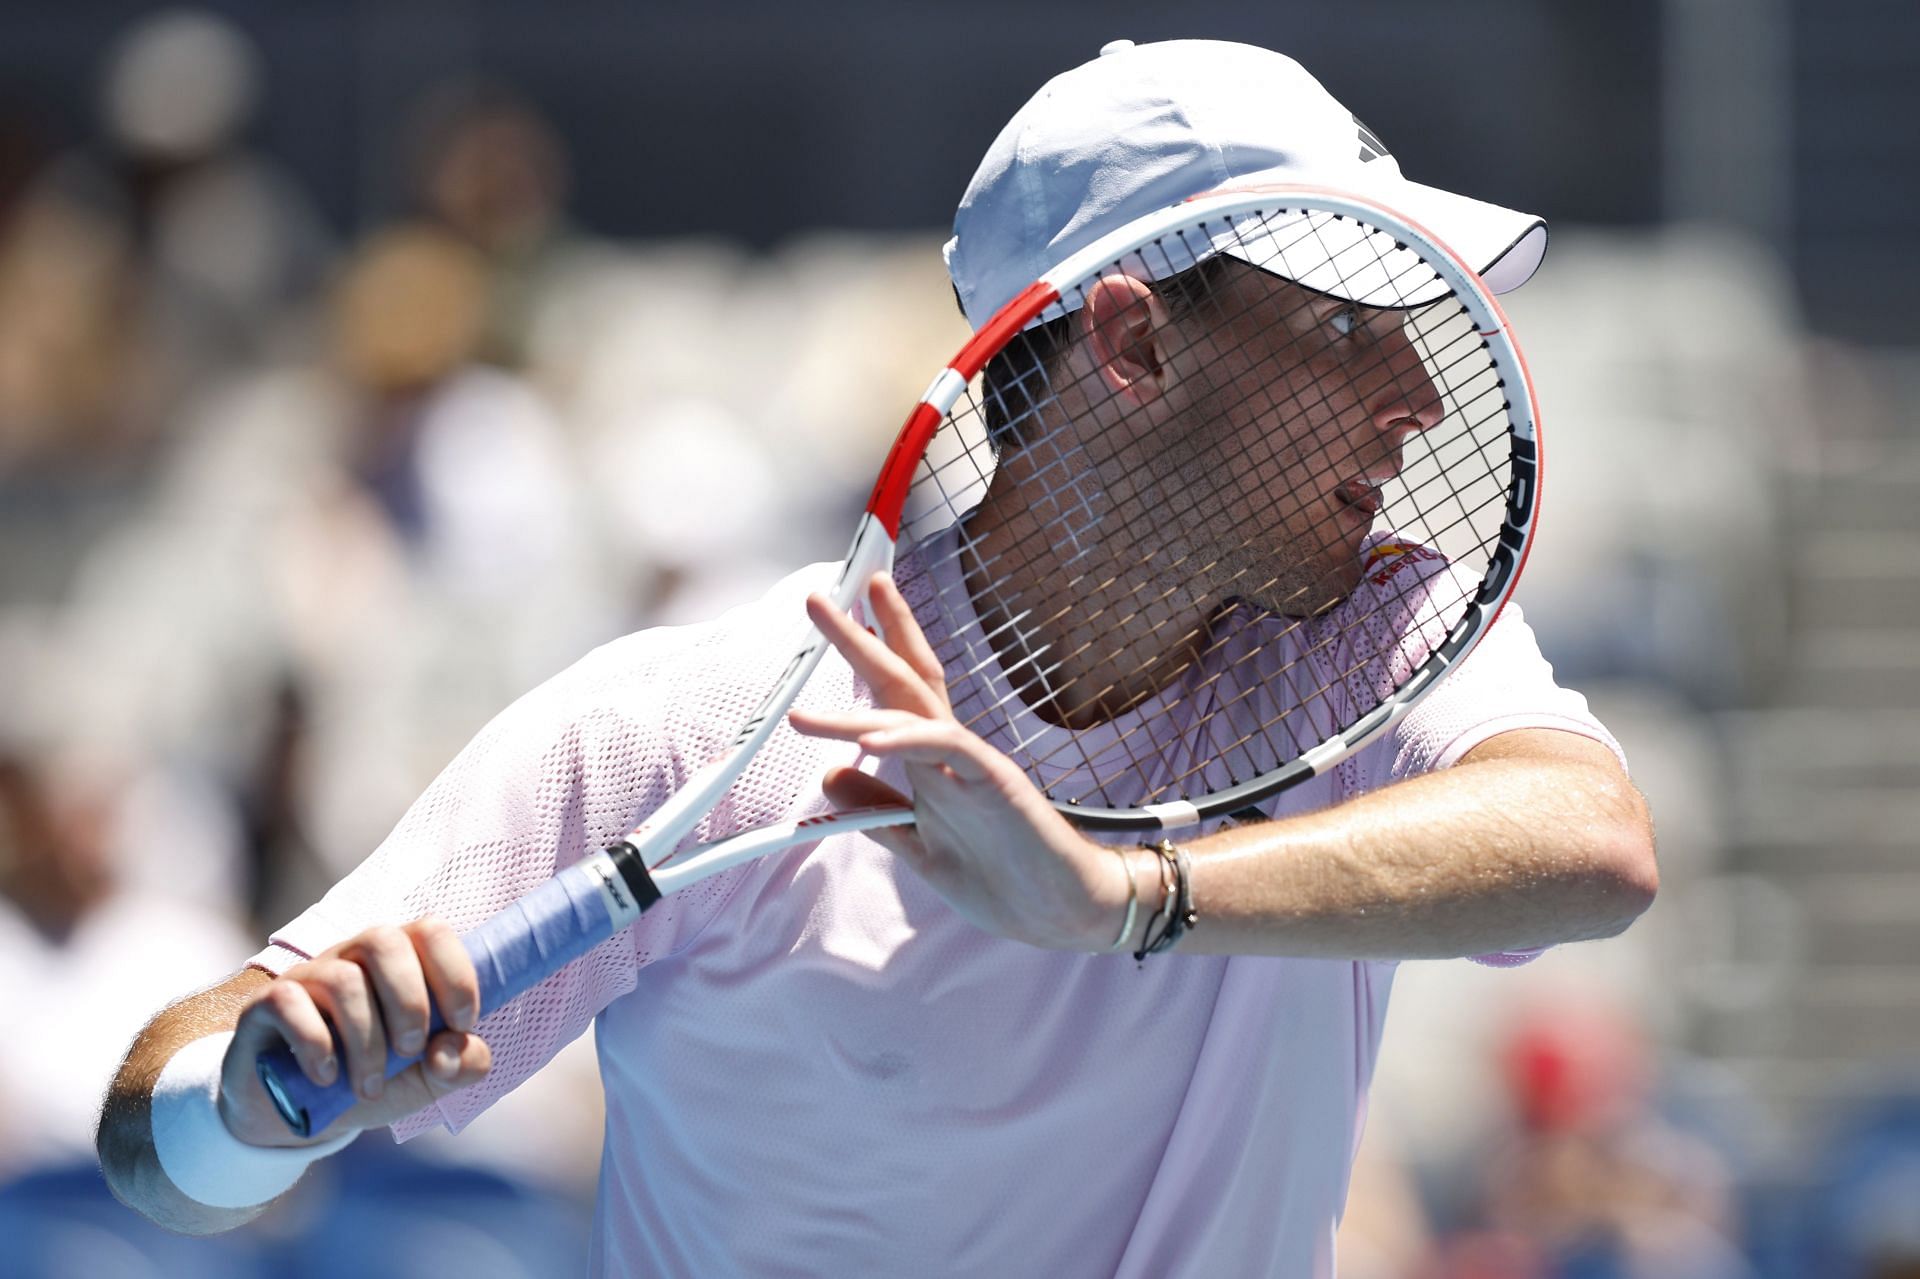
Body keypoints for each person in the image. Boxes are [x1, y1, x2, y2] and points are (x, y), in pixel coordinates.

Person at [97, 39, 1656, 1277]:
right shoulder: (690, 729)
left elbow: (1592, 843)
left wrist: (1118, 901)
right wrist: (256, 1099)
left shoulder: (1367, 643)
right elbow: (156, 1164)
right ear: (1134, 346)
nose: (1421, 398)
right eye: (1340, 332)